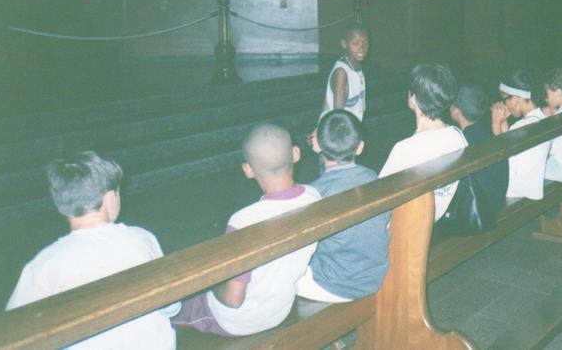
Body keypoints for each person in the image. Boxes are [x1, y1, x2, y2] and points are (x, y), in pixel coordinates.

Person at [6, 151, 180, 349]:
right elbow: (171, 306)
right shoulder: (142, 239)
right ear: (111, 200)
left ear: (61, 205)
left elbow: (13, 328)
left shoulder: (44, 264)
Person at [173, 124, 320, 337]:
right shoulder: (314, 197)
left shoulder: (244, 221)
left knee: (169, 310)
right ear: (295, 153)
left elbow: (233, 300)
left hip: (239, 321)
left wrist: (209, 281)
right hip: (279, 310)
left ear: (248, 170)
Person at [296, 110, 390, 302]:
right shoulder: (372, 177)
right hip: (374, 276)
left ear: (316, 144)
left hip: (336, 285)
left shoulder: (314, 192)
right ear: (360, 147)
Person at [379, 64, 466, 221]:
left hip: (408, 227)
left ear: (414, 99)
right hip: (438, 219)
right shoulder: (457, 136)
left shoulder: (405, 149)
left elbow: (379, 200)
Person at [491, 69, 552, 199]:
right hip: (533, 187)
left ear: (515, 99)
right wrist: (503, 121)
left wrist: (496, 124)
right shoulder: (542, 118)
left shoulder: (521, 126)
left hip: (516, 192)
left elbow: (500, 158)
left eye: (505, 100)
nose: (506, 104)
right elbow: (510, 143)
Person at [449, 84, 508, 212]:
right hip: (498, 200)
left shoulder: (462, 141)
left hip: (483, 209)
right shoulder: (487, 131)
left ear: (456, 110)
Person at [320, 23, 369, 122]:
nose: (362, 48)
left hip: (351, 126)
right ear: (344, 44)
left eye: (365, 42)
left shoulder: (356, 65)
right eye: (355, 43)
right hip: (336, 128)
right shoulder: (341, 74)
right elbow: (338, 117)